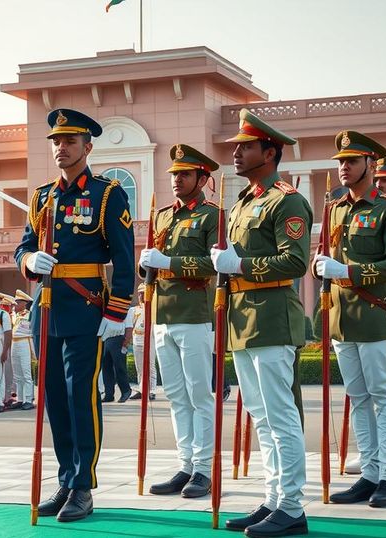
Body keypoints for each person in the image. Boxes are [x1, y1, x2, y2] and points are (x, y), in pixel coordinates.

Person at [14, 108, 134, 523]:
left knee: (81, 398)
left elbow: (123, 255)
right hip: (45, 310)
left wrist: (117, 311)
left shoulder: (106, 193)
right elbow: (22, 246)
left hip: (85, 310)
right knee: (54, 402)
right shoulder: (42, 196)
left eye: (69, 142)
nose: (61, 148)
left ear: (88, 147)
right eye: (56, 142)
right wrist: (30, 259)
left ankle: (83, 485)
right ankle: (66, 479)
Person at [210, 109, 311, 536]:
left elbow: (296, 261)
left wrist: (240, 264)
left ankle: (292, 506)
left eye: (245, 146)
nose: (235, 152)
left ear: (269, 152)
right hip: (242, 318)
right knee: (260, 416)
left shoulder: (286, 199)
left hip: (270, 315)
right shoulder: (245, 201)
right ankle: (273, 498)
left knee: (280, 414)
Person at [314, 131, 386, 508]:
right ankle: (368, 473)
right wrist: (320, 266)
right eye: (340, 162)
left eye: (351, 161)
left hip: (374, 314)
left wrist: (347, 271)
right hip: (342, 316)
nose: (343, 168)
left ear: (371, 164)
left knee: (383, 395)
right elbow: (329, 256)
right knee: (358, 398)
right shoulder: (335, 208)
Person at [139, 143, 221, 499]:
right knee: (175, 396)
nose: (177, 180)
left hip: (194, 314)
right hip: (163, 315)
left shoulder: (212, 216)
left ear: (202, 178)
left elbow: (214, 264)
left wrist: (167, 263)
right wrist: (146, 265)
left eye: (185, 174)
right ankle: (185, 464)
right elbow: (152, 265)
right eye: (174, 175)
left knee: (199, 394)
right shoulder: (162, 216)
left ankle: (204, 469)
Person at [128, 285, 157, 401]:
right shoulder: (134, 310)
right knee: (139, 367)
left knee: (150, 366)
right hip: (137, 340)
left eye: (144, 293)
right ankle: (142, 389)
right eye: (140, 293)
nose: (141, 296)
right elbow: (130, 325)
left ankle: (152, 390)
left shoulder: (153, 309)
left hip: (150, 339)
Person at [10, 289, 36, 410]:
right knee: (17, 373)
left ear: (24, 303)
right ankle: (20, 399)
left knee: (26, 373)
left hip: (25, 342)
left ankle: (28, 399)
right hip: (14, 343)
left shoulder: (29, 314)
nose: (14, 305)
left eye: (17, 302)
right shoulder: (13, 315)